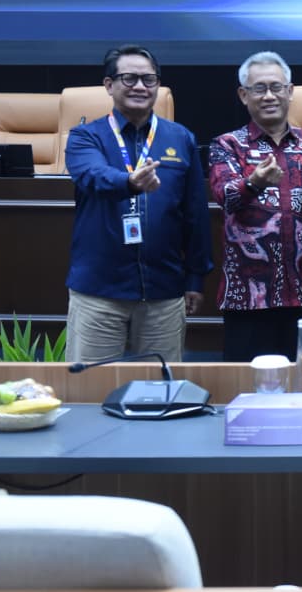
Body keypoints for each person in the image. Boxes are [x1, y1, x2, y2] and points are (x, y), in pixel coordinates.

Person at [65, 44, 212, 363]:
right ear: (109, 85)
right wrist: (129, 182)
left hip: (163, 292)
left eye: (149, 79)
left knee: (158, 394)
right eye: (129, 78)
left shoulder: (180, 138)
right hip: (99, 292)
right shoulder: (84, 137)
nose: (140, 87)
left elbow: (195, 215)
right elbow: (91, 176)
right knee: (90, 391)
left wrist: (195, 278)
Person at [208, 52, 302, 362]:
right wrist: (254, 182)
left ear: (290, 91)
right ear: (244, 95)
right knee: (248, 391)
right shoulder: (228, 145)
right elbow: (224, 196)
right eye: (259, 88)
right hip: (249, 297)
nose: (269, 95)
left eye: (276, 87)